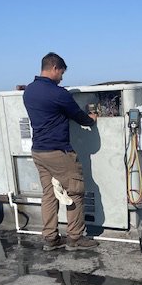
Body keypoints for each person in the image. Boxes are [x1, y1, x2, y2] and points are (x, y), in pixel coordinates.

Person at [23, 52, 99, 251]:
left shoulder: (29, 91)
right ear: (55, 68)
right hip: (58, 152)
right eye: (62, 73)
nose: (62, 78)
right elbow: (79, 116)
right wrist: (92, 118)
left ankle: (50, 238)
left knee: (49, 194)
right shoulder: (59, 94)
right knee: (75, 191)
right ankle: (75, 237)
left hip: (38, 151)